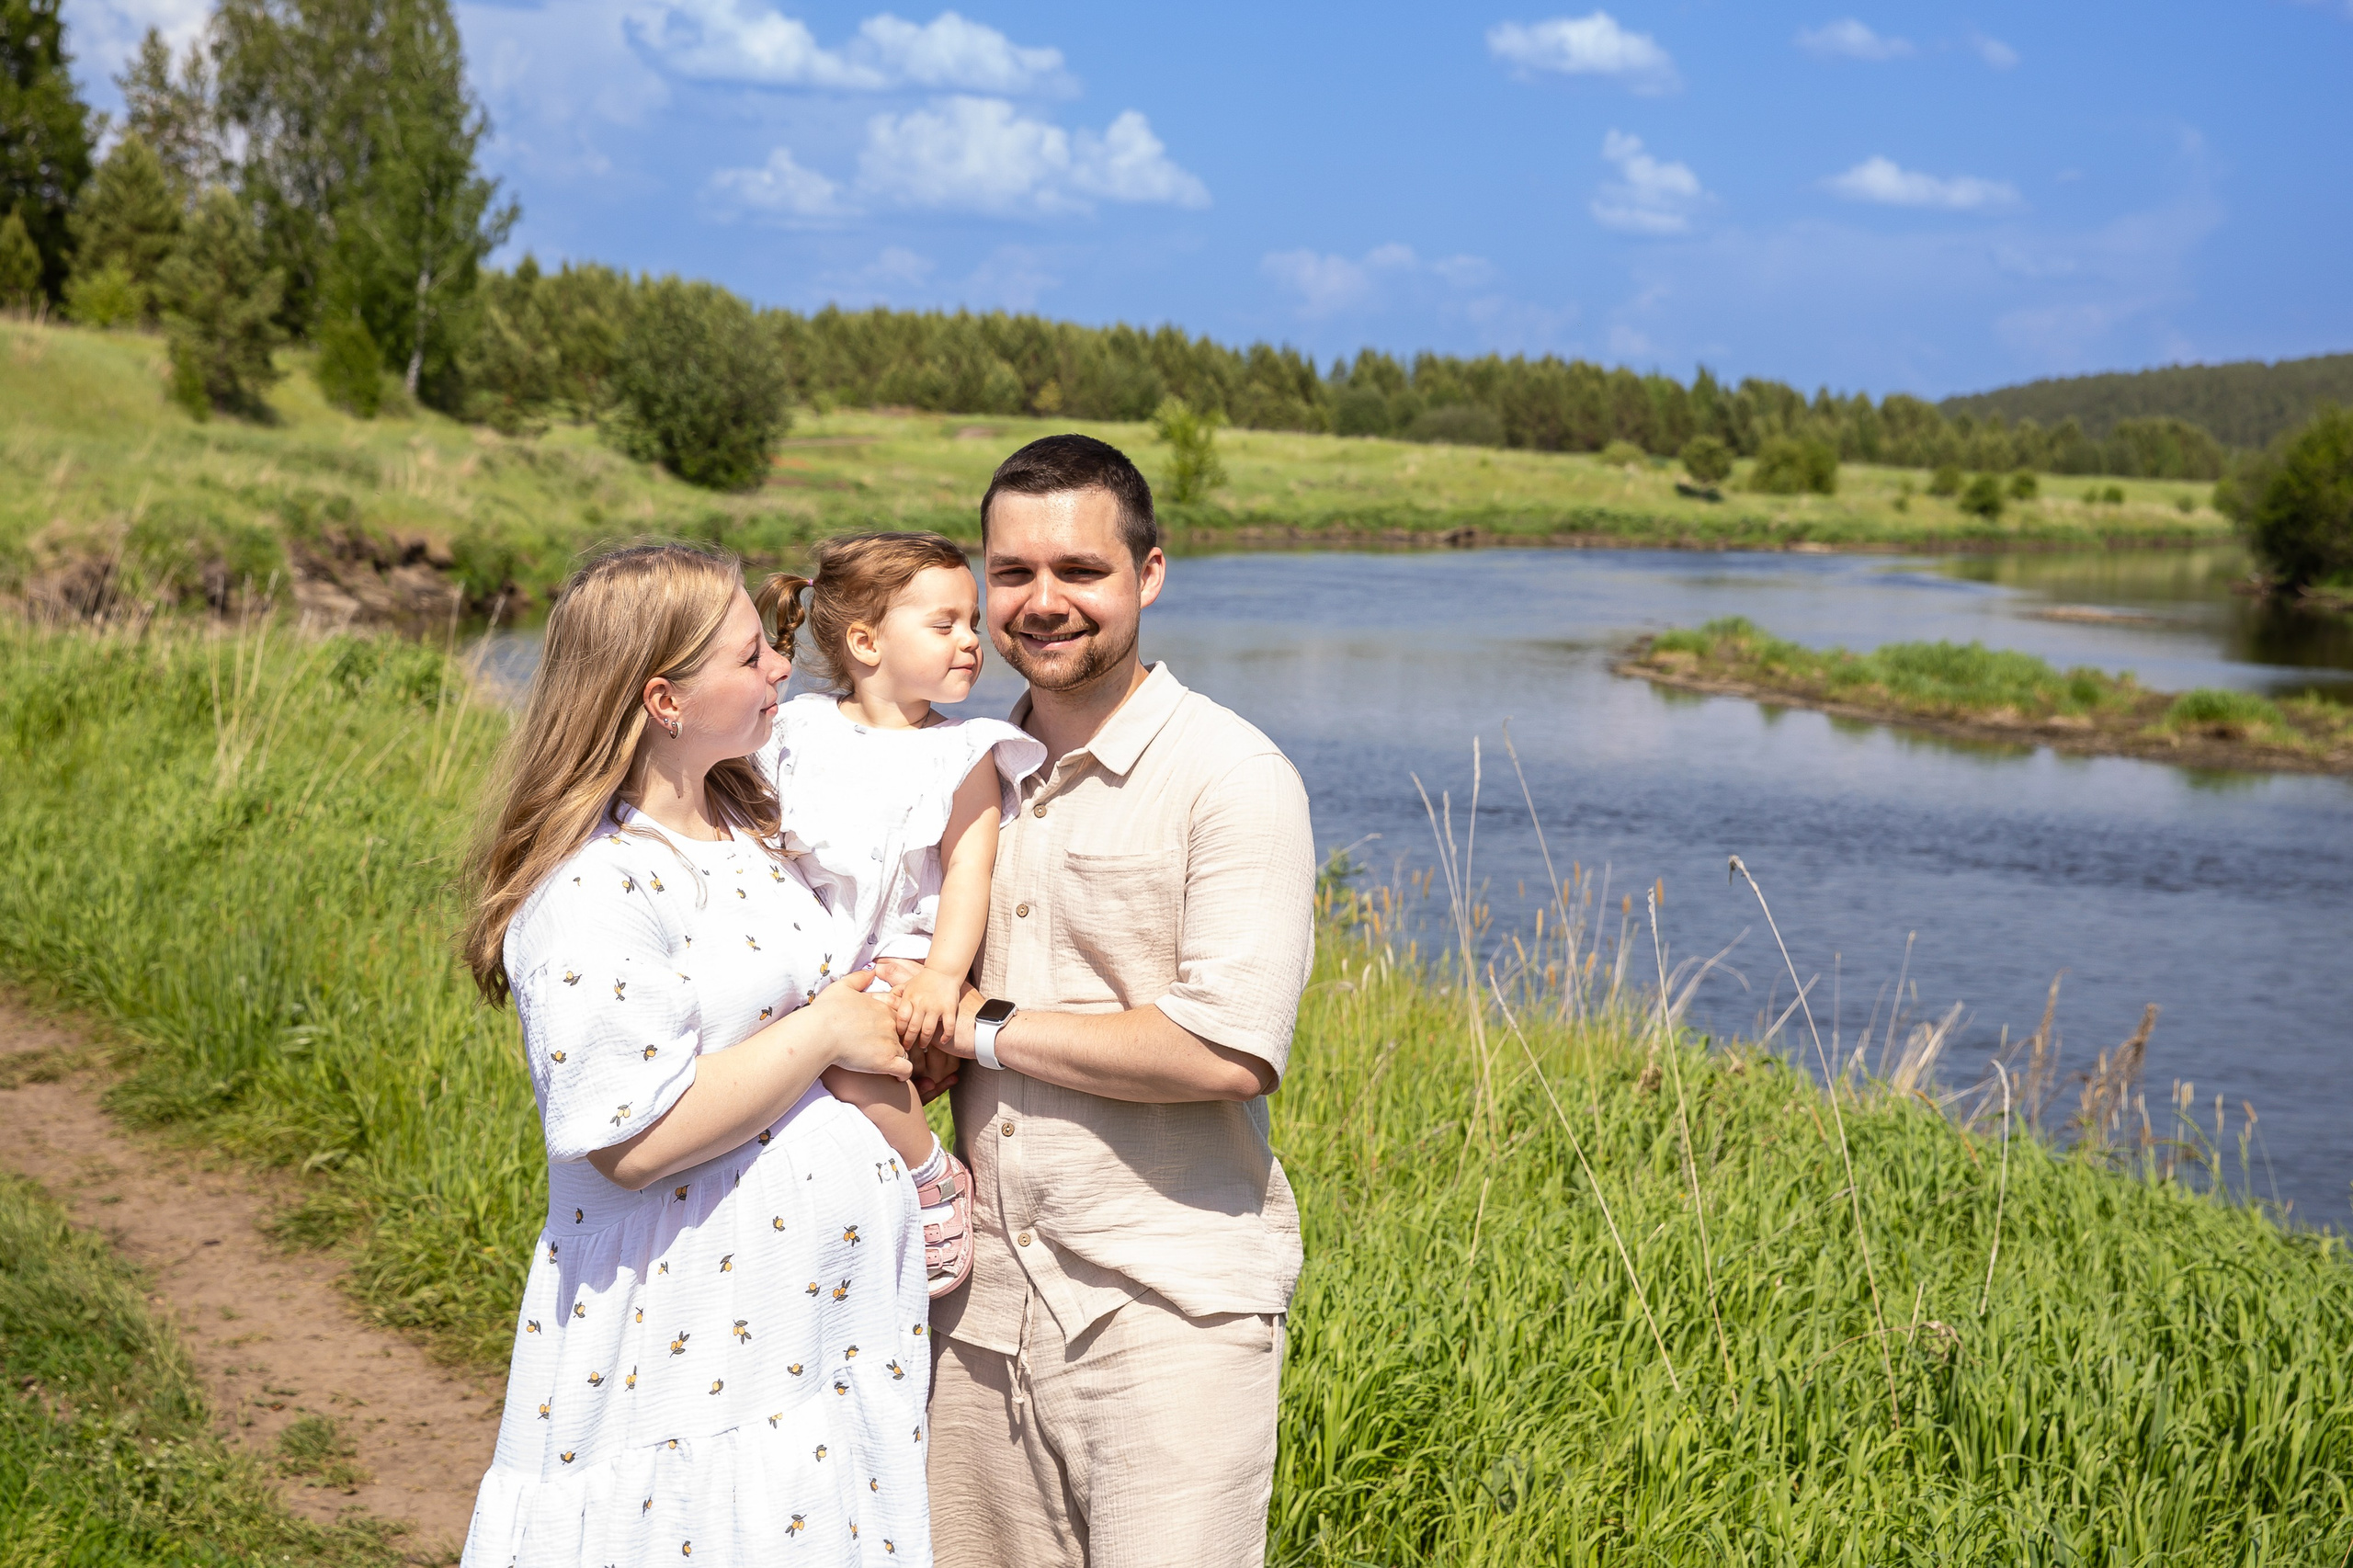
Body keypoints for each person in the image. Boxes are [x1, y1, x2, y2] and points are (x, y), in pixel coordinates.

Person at [456, 542, 934, 1567]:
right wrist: (824, 1032)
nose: (780, 668)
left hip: (802, 1333)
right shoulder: (598, 887)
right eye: (752, 653)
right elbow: (626, 1138)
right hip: (692, 1334)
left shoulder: (746, 820)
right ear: (663, 699)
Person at [911, 435, 1317, 1568]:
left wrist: (979, 1025)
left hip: (1168, 1310)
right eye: (1011, 573)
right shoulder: (959, 771)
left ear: (1147, 574)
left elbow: (1225, 1050)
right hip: (972, 1312)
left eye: (1079, 571)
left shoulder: (1232, 776)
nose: (1042, 603)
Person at [757, 531, 1045, 1297]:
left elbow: (968, 871)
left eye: (974, 623)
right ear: (866, 641)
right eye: (944, 624)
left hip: (894, 962)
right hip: (804, 950)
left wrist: (942, 978)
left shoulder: (967, 751)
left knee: (860, 1067)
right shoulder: (795, 729)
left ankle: (930, 1176)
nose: (971, 642)